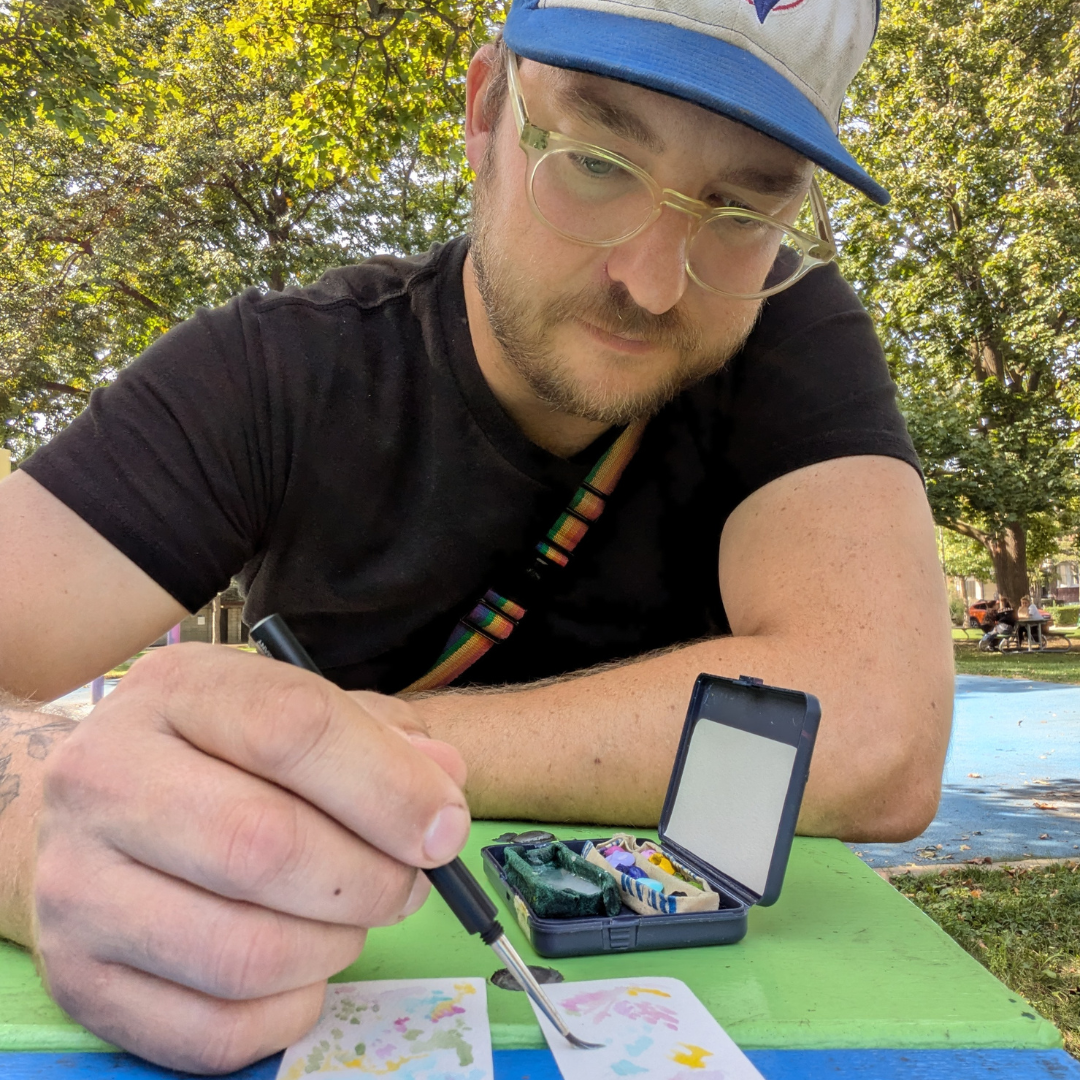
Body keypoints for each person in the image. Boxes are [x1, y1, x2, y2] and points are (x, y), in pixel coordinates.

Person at [0, 0, 954, 1071]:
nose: (649, 281)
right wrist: (38, 831)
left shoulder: (790, 330)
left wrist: (368, 737)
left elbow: (879, 734)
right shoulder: (273, 375)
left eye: (742, 209)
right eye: (597, 160)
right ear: (485, 108)